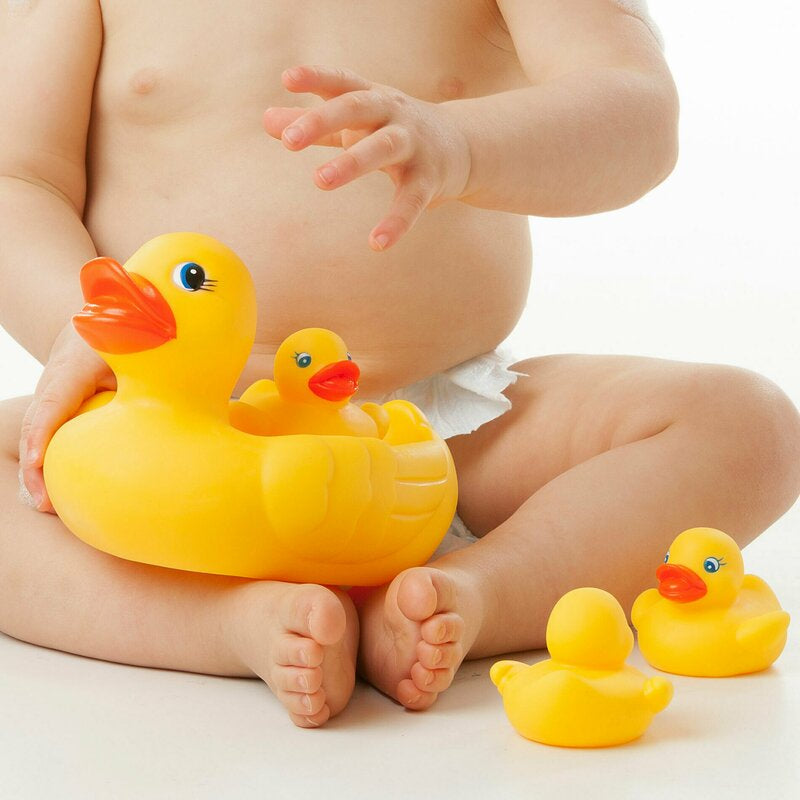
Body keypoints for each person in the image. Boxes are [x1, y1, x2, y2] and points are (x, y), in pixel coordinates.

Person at [1, 0, 798, 729]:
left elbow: (638, 112)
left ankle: (472, 595)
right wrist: (82, 326)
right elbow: (18, 176)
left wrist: (463, 144)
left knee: (746, 425)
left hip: (449, 437)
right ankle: (228, 622)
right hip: (172, 452)